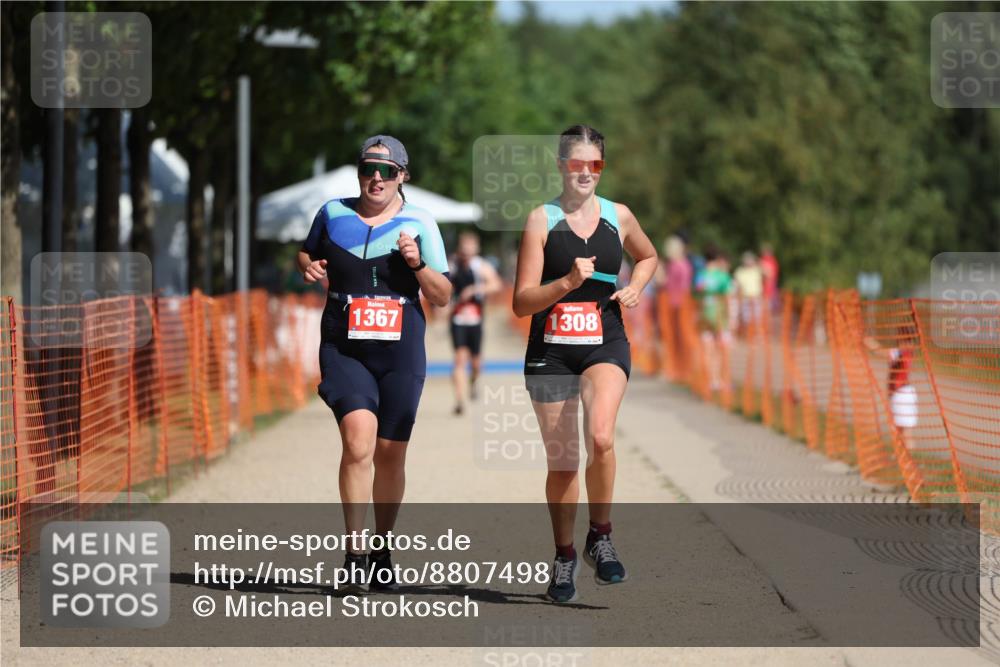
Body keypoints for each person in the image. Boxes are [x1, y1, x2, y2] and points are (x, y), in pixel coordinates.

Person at [297, 135, 452, 589]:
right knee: (358, 443)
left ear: (403, 175)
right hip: (344, 346)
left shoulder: (421, 221)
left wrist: (418, 263)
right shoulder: (332, 213)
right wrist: (307, 265)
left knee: (389, 454)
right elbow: (308, 251)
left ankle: (382, 546)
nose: (376, 178)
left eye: (386, 171)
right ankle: (355, 553)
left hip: (401, 349)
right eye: (368, 169)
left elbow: (442, 296)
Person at [513, 125, 657, 603]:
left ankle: (601, 534)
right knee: (564, 462)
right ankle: (564, 556)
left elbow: (649, 256)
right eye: (576, 163)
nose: (585, 173)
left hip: (604, 339)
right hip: (550, 347)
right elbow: (521, 302)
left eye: (594, 164)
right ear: (560, 166)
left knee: (600, 436)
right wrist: (565, 284)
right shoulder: (541, 220)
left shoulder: (620, 215)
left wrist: (636, 284)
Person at [449, 231, 502, 415]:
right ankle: (459, 401)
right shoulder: (452, 265)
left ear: (476, 249)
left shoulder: (481, 266)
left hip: (476, 318)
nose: (466, 252)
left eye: (470, 248)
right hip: (457, 319)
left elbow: (496, 284)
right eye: (464, 248)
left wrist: (474, 289)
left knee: (476, 362)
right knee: (459, 359)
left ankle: (474, 381)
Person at [695, 247, 734, 393]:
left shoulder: (701, 275)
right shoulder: (722, 276)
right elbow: (728, 297)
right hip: (719, 314)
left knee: (708, 348)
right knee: (722, 349)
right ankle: (723, 381)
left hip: (705, 313)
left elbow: (698, 291)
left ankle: (712, 380)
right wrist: (730, 318)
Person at [733, 251, 764, 333]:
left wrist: (760, 263)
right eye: (747, 260)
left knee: (757, 318)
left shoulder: (757, 269)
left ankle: (757, 334)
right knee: (746, 318)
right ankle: (748, 334)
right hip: (745, 298)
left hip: (756, 297)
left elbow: (769, 274)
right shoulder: (739, 271)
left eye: (750, 259)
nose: (748, 261)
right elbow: (736, 285)